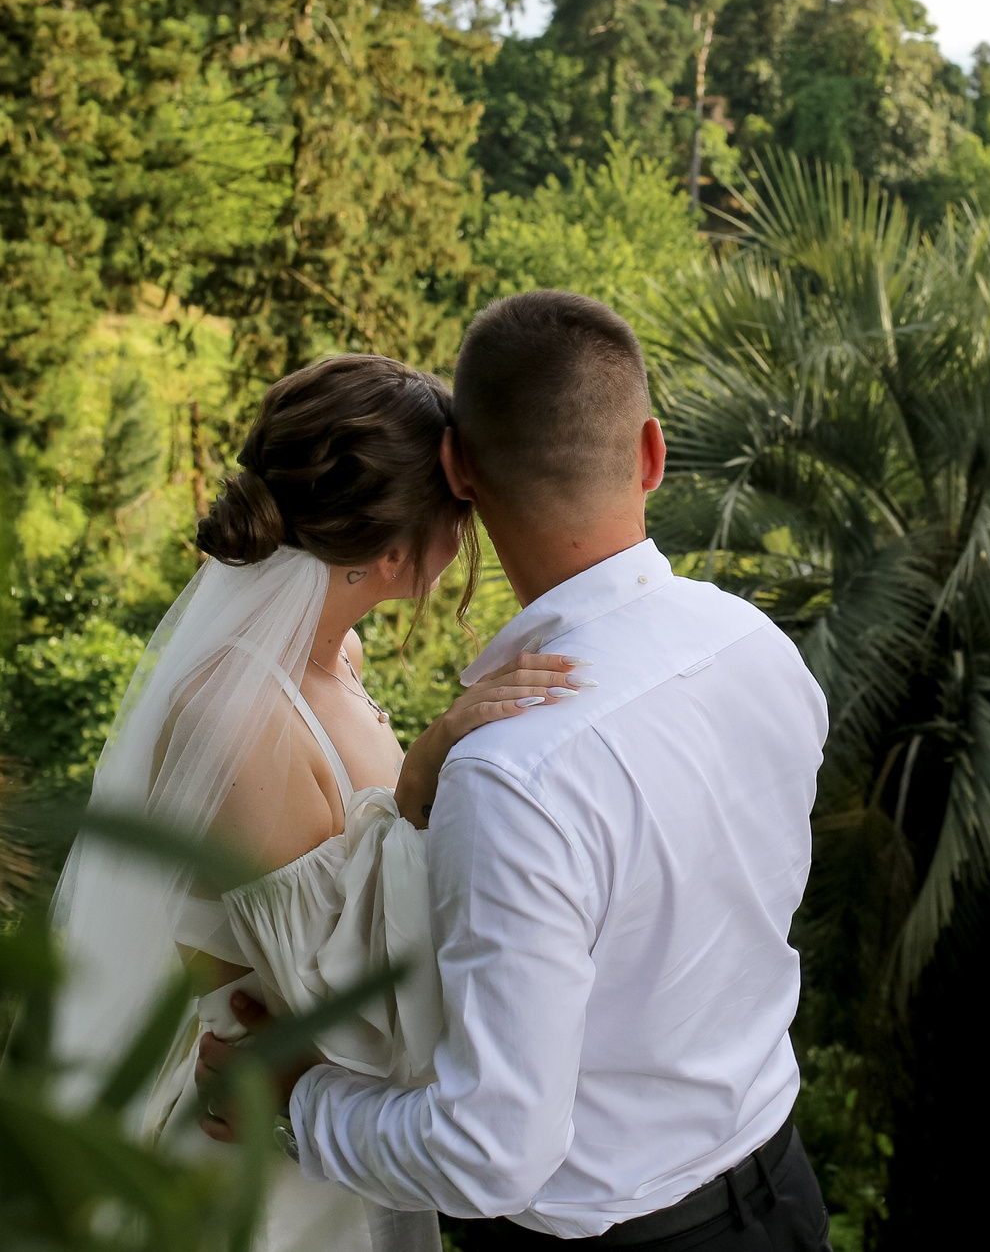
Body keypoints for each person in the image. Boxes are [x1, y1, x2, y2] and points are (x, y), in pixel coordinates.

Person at [203, 291, 833, 1252]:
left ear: (458, 468)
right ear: (653, 453)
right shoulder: (757, 646)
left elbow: (492, 1154)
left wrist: (295, 1104)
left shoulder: (511, 773)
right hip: (784, 1194)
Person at [52, 352, 577, 1252]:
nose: (472, 530)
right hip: (254, 1166)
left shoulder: (337, 660)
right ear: (392, 550)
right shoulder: (239, 716)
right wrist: (424, 778)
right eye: (459, 510)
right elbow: (338, 1001)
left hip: (320, 1128)